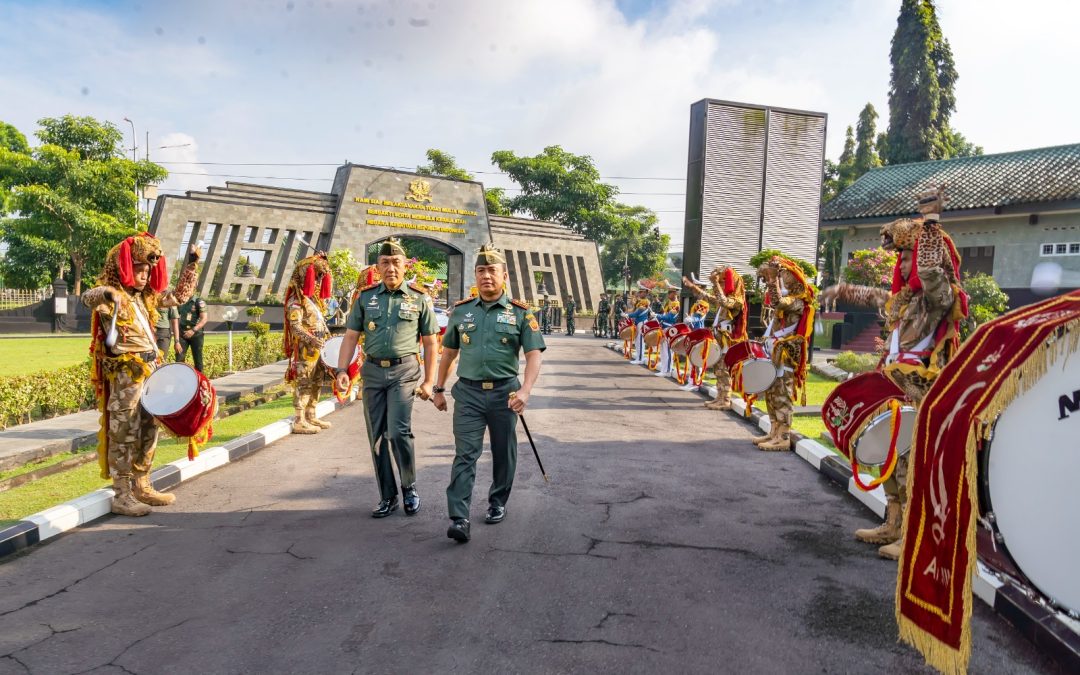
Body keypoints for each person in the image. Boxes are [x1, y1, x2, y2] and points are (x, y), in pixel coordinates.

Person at [819, 186, 965, 559]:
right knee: (894, 456)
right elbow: (873, 297)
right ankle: (893, 523)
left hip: (921, 390)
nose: (902, 266)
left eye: (907, 258)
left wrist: (930, 226)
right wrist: (839, 289)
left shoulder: (937, 300)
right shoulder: (904, 302)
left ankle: (914, 535)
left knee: (914, 463)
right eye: (900, 259)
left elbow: (934, 275)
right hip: (894, 387)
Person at [433, 244, 545, 543]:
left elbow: (534, 354)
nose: (486, 276)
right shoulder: (462, 311)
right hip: (467, 393)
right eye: (481, 270)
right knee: (465, 454)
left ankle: (497, 501)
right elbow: (449, 353)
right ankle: (459, 517)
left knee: (503, 452)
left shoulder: (520, 313)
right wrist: (439, 388)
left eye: (491, 270)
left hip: (504, 394)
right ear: (475, 275)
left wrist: (526, 389)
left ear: (504, 275)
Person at [83, 233, 201, 516]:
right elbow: (88, 296)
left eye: (148, 271)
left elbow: (178, 297)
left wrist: (192, 265)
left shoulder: (145, 298)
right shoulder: (110, 295)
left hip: (151, 371)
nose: (145, 275)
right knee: (124, 432)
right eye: (139, 269)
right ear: (124, 267)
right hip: (126, 376)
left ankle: (143, 484)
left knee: (149, 428)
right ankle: (122, 494)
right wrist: (109, 293)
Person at [336, 238, 439, 518]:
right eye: (385, 263)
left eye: (396, 263)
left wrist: (429, 382)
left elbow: (430, 343)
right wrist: (342, 370)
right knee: (377, 437)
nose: (391, 267)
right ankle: (388, 496)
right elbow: (350, 337)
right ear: (378, 268)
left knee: (397, 432)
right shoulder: (365, 297)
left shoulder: (418, 298)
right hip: (372, 372)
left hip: (405, 372)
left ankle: (409, 486)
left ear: (405, 267)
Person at [753, 256, 815, 452]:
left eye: (784, 274)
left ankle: (784, 435)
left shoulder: (798, 301)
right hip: (775, 350)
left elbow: (779, 302)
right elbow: (775, 301)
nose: (782, 276)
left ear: (795, 278)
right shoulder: (789, 297)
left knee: (782, 395)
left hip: (786, 354)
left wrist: (772, 279)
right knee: (771, 393)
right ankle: (774, 431)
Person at [284, 253, 334, 435]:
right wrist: (311, 339)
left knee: (317, 382)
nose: (318, 282)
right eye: (316, 278)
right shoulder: (296, 302)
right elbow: (295, 327)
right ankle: (299, 420)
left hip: (319, 348)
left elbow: (320, 323)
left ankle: (311, 414)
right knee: (304, 382)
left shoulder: (313, 302)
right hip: (305, 350)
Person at [683, 267, 748, 409]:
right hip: (719, 336)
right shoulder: (723, 298)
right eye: (721, 283)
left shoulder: (737, 300)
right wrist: (694, 287)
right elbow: (711, 298)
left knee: (724, 370)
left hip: (728, 339)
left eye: (724, 282)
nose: (722, 285)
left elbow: (725, 302)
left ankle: (725, 399)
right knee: (718, 370)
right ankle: (720, 397)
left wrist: (715, 284)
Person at [653, 287, 681, 377]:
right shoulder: (668, 303)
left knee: (668, 350)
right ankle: (664, 369)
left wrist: (658, 315)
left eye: (670, 293)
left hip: (670, 329)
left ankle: (667, 370)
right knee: (663, 350)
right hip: (664, 327)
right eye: (668, 292)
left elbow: (670, 317)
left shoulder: (676, 305)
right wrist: (657, 317)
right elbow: (665, 315)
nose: (668, 294)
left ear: (675, 294)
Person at [177, 294, 208, 372]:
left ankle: (200, 382)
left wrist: (193, 330)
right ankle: (180, 381)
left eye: (190, 287)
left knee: (198, 360)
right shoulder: (180, 300)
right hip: (182, 334)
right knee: (179, 359)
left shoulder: (199, 302)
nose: (187, 289)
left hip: (196, 334)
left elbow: (204, 319)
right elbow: (176, 316)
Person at [627, 288, 652, 364]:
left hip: (642, 322)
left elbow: (636, 313)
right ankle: (638, 357)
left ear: (645, 293)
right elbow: (634, 310)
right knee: (638, 341)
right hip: (638, 322)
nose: (640, 293)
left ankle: (640, 358)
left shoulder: (645, 301)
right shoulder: (640, 301)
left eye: (642, 292)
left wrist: (627, 315)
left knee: (640, 341)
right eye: (640, 292)